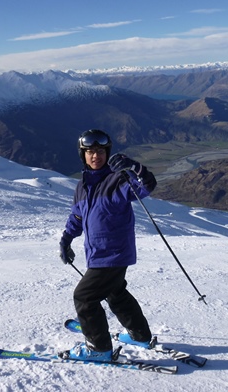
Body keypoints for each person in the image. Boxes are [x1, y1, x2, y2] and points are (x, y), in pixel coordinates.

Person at [59, 129, 157, 362]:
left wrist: (134, 167)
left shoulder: (119, 180)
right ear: (83, 155)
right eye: (90, 152)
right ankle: (139, 334)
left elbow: (146, 186)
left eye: (100, 151)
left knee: (84, 297)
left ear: (107, 153)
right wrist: (66, 239)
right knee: (115, 292)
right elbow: (77, 217)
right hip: (98, 254)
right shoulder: (82, 186)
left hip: (114, 253)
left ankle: (99, 348)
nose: (96, 156)